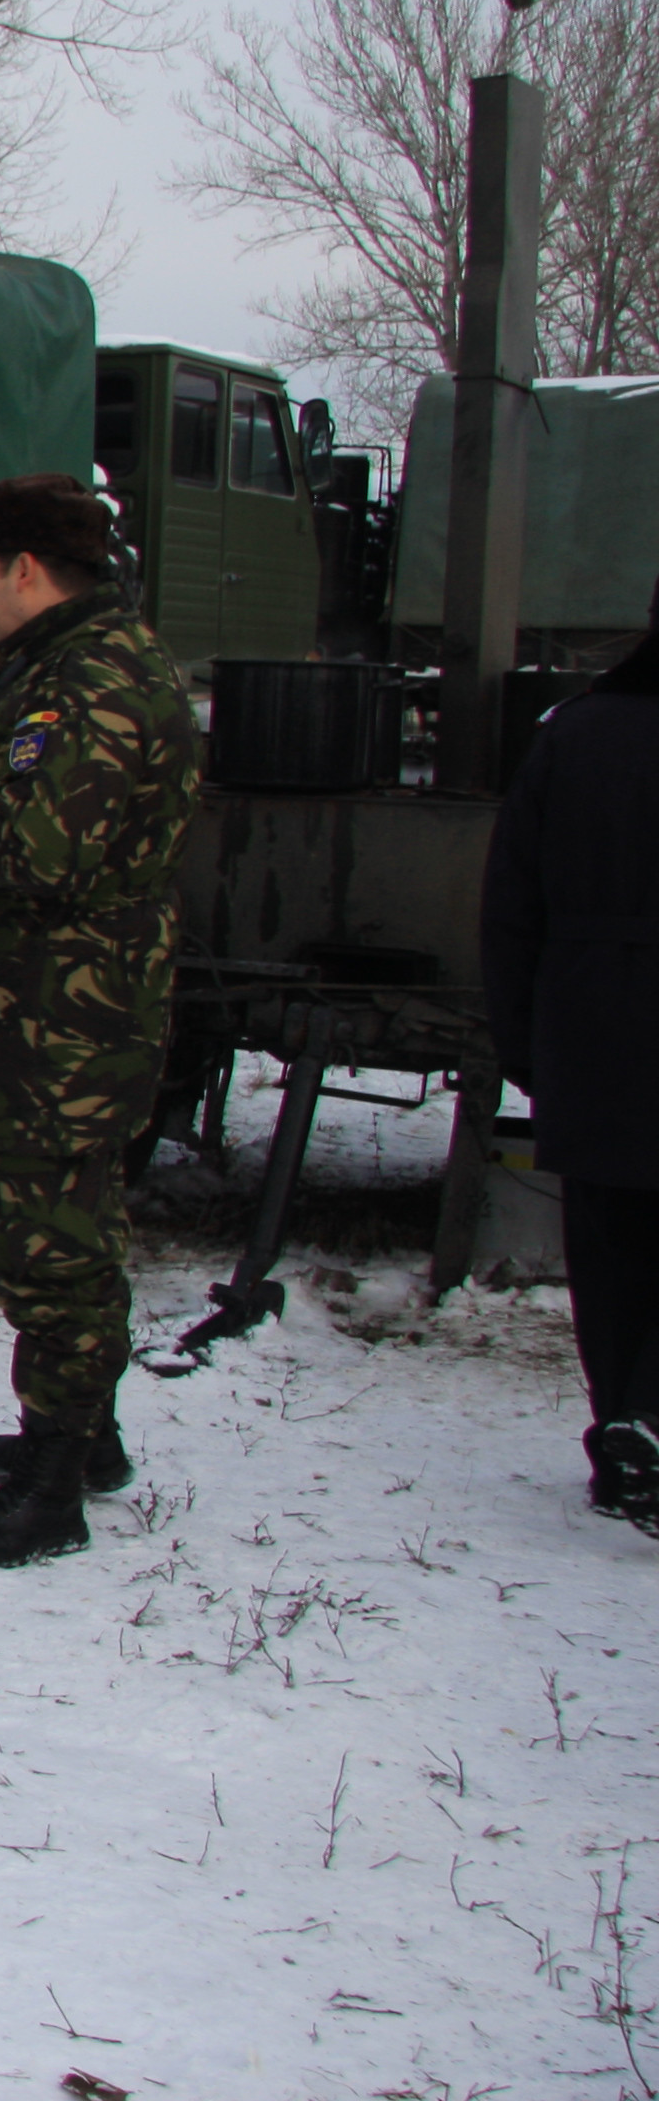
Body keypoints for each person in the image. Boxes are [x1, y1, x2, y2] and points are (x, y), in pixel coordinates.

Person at [0, 473, 199, 1569]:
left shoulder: (95, 683)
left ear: (26, 568)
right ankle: (83, 1436)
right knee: (62, 1226)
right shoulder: (68, 667)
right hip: (44, 1009)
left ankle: (57, 1479)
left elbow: (39, 848)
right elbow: (17, 780)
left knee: (45, 1240)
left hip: (60, 1015)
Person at [481, 573, 659, 1531]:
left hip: (591, 1023)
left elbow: (511, 902)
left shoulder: (577, 733)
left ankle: (619, 1440)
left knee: (610, 1246)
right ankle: (646, 1426)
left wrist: (526, 1037)